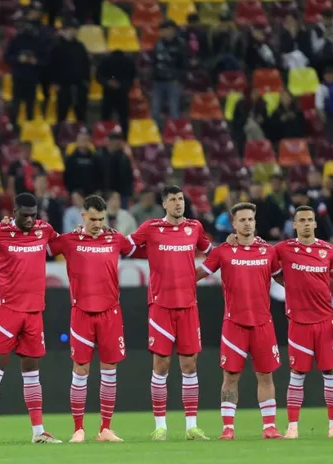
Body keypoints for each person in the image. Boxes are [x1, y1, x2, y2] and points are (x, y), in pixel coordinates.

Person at [0, 193, 62, 444]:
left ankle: (38, 431)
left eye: (33, 215)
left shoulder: (44, 230)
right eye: (25, 215)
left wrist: (89, 232)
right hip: (7, 311)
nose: (30, 220)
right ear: (14, 212)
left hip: (34, 312)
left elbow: (64, 244)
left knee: (32, 374)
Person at [125, 185, 213, 441]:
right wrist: (102, 234)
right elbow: (126, 246)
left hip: (188, 305)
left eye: (180, 199)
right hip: (161, 306)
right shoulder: (151, 228)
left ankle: (191, 427)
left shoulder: (194, 227)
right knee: (161, 365)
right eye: (173, 199)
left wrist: (199, 274)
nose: (178, 203)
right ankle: (160, 426)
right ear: (164, 204)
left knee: (189, 365)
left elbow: (213, 253)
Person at [48, 195, 134, 443]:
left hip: (110, 312)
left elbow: (140, 247)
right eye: (93, 219)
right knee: (80, 370)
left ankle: (105, 429)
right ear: (83, 216)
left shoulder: (115, 239)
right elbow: (41, 245)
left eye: (101, 219)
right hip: (82, 312)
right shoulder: (69, 240)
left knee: (110, 370)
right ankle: (78, 429)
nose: (97, 224)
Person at [197, 203, 284, 441]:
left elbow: (284, 280)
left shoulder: (268, 251)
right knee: (230, 377)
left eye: (250, 219)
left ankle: (269, 427)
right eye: (242, 220)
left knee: (265, 376)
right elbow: (198, 274)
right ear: (233, 224)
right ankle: (228, 428)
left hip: (263, 324)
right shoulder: (223, 251)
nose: (247, 223)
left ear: (255, 222)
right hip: (234, 324)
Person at [271, 207, 333, 439]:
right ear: (294, 225)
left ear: (315, 224)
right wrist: (286, 282)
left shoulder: (328, 250)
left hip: (325, 321)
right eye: (302, 220)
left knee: (331, 371)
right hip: (298, 321)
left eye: (310, 220)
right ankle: (292, 427)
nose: (306, 224)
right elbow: (264, 258)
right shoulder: (283, 248)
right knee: (297, 373)